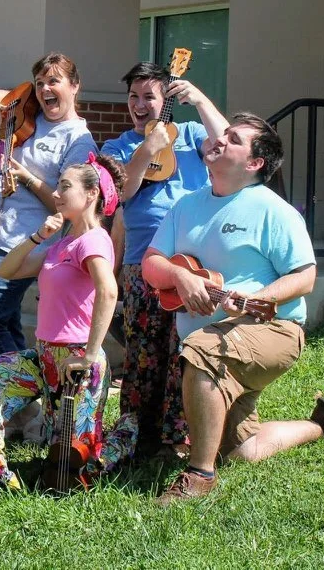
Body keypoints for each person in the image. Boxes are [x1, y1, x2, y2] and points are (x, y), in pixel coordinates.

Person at [142, 114, 324, 504]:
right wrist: (180, 277)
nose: (219, 140)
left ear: (254, 163)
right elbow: (153, 261)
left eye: (232, 139)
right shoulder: (186, 205)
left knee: (201, 350)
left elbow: (304, 277)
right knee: (242, 450)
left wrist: (259, 300)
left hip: (273, 331)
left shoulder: (274, 211)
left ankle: (199, 476)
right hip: (221, 338)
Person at [0, 153, 124, 495]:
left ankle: (123, 443)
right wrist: (37, 236)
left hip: (76, 362)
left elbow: (109, 291)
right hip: (44, 358)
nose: (56, 194)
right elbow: (6, 270)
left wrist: (89, 355)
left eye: (65, 186)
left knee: (76, 464)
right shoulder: (61, 245)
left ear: (91, 195)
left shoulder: (93, 240)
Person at [98, 62, 229, 467]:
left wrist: (201, 100)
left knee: (182, 350)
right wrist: (147, 150)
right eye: (133, 96)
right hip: (142, 263)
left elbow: (228, 142)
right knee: (143, 352)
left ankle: (177, 437)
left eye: (149, 96)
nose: (139, 104)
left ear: (166, 100)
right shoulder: (118, 147)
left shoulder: (190, 135)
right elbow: (119, 193)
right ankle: (137, 431)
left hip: (191, 262)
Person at [0, 53, 97, 357]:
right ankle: (22, 401)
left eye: (54, 81)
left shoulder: (79, 140)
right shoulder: (30, 113)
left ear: (74, 85)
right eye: (40, 83)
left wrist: (26, 177)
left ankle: (20, 390)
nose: (45, 89)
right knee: (7, 319)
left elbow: (67, 205)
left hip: (20, 241)